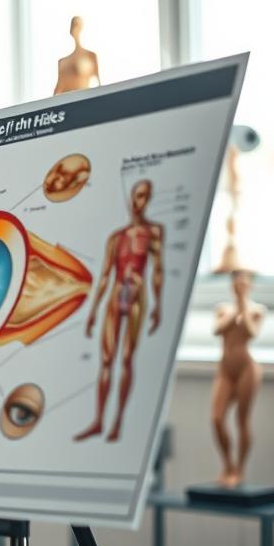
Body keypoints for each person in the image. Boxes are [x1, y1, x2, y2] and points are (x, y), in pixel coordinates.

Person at [75, 179, 164, 442]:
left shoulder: (154, 232)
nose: (140, 202)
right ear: (130, 198)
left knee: (126, 359)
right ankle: (99, 421)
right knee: (106, 359)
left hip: (137, 297)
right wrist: (92, 312)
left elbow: (157, 270)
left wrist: (158, 305)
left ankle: (117, 424)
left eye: (145, 197)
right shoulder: (117, 237)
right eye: (137, 196)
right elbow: (104, 275)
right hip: (115, 296)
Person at [210, 269, 266, 488]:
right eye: (236, 281)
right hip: (225, 369)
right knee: (216, 418)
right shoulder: (223, 309)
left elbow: (251, 332)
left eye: (244, 282)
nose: (240, 284)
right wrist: (238, 307)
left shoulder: (257, 310)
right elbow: (218, 329)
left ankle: (240, 469)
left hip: (246, 369)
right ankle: (228, 465)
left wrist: (243, 303)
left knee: (242, 419)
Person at [54, 16, 100, 95]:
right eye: (73, 25)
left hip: (84, 99)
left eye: (77, 25)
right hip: (67, 101)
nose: (75, 28)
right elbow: (58, 88)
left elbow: (99, 84)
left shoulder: (91, 56)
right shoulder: (62, 62)